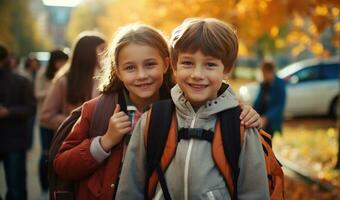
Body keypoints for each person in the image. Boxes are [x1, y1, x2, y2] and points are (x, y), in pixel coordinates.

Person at [53, 24, 262, 200]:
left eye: (150, 64)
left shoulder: (177, 108)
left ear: (166, 64)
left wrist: (239, 108)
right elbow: (62, 165)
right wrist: (105, 141)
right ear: (117, 70)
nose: (142, 75)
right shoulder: (97, 110)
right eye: (130, 68)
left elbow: (212, 100)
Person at [116, 18, 269, 199]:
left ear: (226, 69)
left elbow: (255, 194)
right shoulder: (152, 120)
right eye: (187, 63)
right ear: (174, 66)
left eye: (210, 64)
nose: (197, 74)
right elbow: (129, 190)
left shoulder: (241, 126)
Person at [40, 32, 106, 131]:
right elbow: (46, 116)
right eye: (102, 49)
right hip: (73, 142)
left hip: (103, 142)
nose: (106, 54)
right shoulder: (64, 80)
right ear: (88, 53)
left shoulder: (107, 78)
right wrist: (77, 122)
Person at [0, 44, 36, 200]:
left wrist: (8, 111)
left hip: (14, 141)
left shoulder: (22, 81)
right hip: (14, 141)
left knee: (16, 189)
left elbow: (31, 109)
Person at [35, 49, 68, 198]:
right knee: (45, 154)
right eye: (59, 61)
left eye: (64, 61)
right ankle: (44, 186)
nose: (61, 64)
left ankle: (54, 186)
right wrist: (52, 90)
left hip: (59, 121)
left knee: (57, 154)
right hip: (45, 121)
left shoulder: (65, 75)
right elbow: (36, 93)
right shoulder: (43, 74)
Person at [253, 61, 286, 140]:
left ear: (269, 72)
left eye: (264, 73)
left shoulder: (279, 84)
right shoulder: (264, 84)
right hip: (260, 119)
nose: (262, 75)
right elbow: (258, 102)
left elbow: (279, 106)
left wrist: (266, 117)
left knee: (267, 143)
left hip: (270, 122)